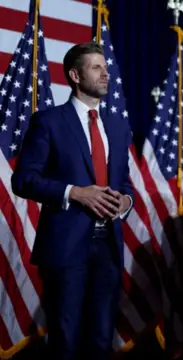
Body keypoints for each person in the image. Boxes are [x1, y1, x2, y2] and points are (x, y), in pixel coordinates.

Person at [11, 42, 133, 359]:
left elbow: (123, 182)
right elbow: (23, 179)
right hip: (66, 249)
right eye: (96, 67)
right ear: (75, 75)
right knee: (65, 342)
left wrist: (125, 201)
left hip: (108, 247)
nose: (106, 73)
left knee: (101, 342)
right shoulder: (49, 121)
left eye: (106, 67)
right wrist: (75, 192)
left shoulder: (118, 127)